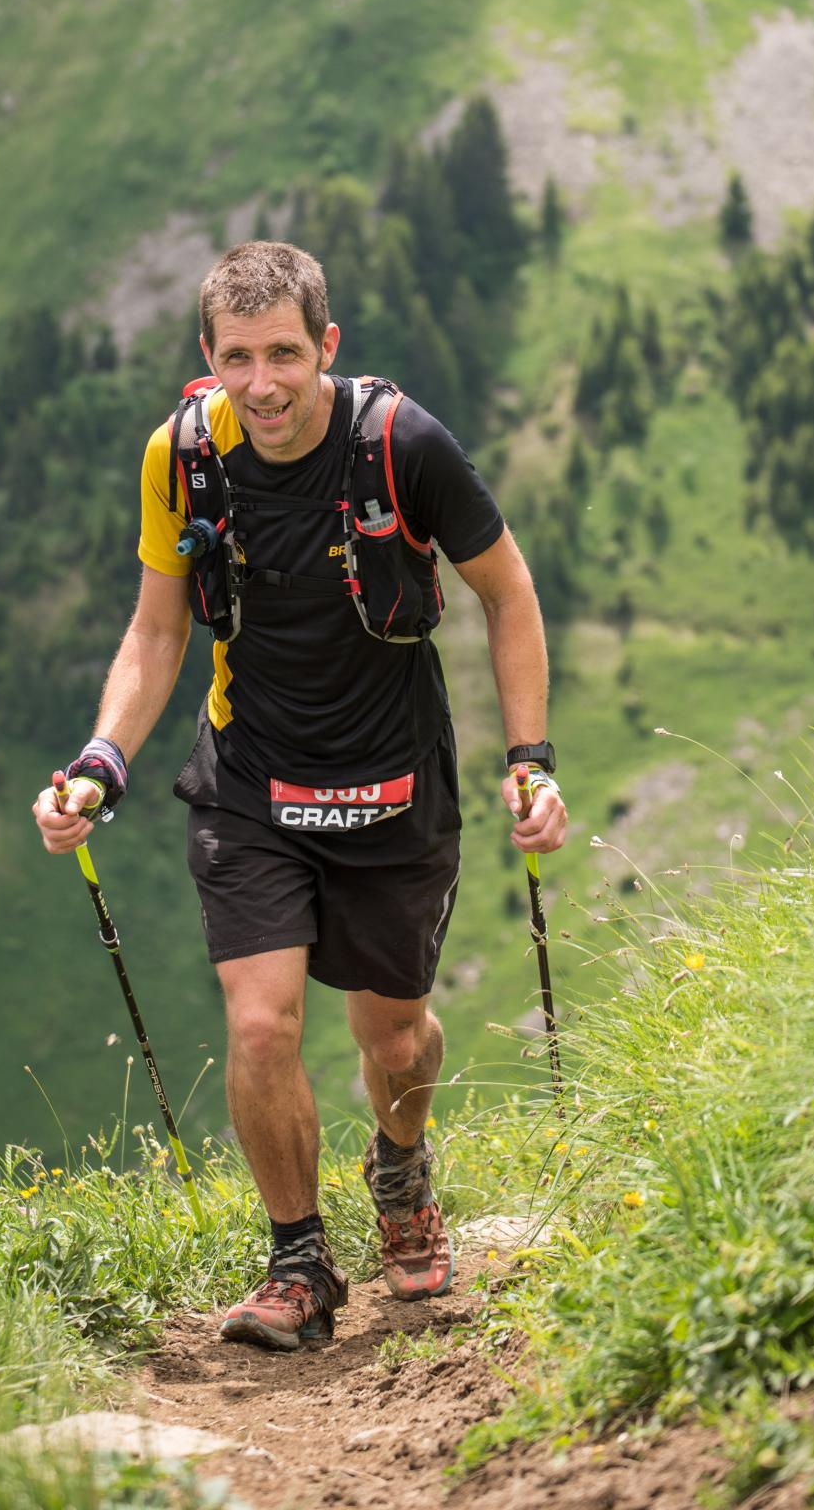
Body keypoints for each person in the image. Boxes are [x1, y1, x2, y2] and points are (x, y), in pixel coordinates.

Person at [34, 241, 566, 1351]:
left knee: (396, 1041)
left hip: (393, 781)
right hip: (250, 779)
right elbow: (158, 629)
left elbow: (507, 592)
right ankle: (296, 1260)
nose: (262, 383)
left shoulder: (402, 445)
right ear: (207, 354)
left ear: (326, 344)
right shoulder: (182, 456)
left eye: (283, 353)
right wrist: (100, 760)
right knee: (261, 1023)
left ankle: (400, 1166)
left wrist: (530, 756)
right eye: (237, 358)